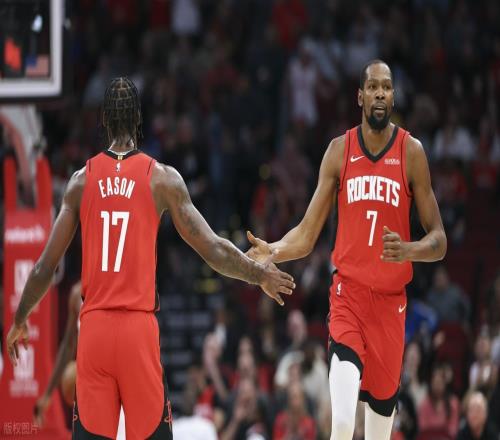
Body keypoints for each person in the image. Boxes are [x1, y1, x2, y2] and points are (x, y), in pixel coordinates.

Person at [6, 77, 295, 439]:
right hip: (136, 331)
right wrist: (257, 274)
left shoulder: (81, 181)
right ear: (139, 120)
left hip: (94, 331)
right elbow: (212, 248)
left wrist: (20, 319)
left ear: (104, 120)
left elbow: (43, 268)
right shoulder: (161, 179)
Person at [246, 60, 447, 440]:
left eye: (386, 87)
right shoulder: (340, 151)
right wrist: (273, 249)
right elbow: (307, 233)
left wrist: (409, 250)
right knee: (340, 422)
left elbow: (439, 240)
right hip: (348, 298)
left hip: (390, 306)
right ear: (360, 96)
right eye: (373, 87)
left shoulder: (412, 152)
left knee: (378, 434)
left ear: (394, 96)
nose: (380, 94)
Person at [33, 281, 126, 439]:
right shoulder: (77, 294)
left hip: (120, 382)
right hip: (91, 388)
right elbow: (68, 345)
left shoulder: (119, 286)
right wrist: (48, 393)